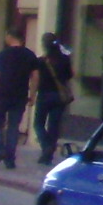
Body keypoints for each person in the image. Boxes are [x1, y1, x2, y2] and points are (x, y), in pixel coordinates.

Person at [0, 28, 38, 170]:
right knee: (13, 127)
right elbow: (35, 77)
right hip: (20, 95)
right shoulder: (30, 55)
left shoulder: (3, 54)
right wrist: (32, 95)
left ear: (10, 37)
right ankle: (10, 159)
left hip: (2, 94)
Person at [32, 33, 75, 164]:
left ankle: (46, 147)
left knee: (38, 124)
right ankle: (48, 154)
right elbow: (70, 75)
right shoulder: (65, 59)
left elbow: (36, 79)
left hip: (44, 94)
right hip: (59, 96)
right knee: (54, 125)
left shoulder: (41, 61)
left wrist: (32, 94)